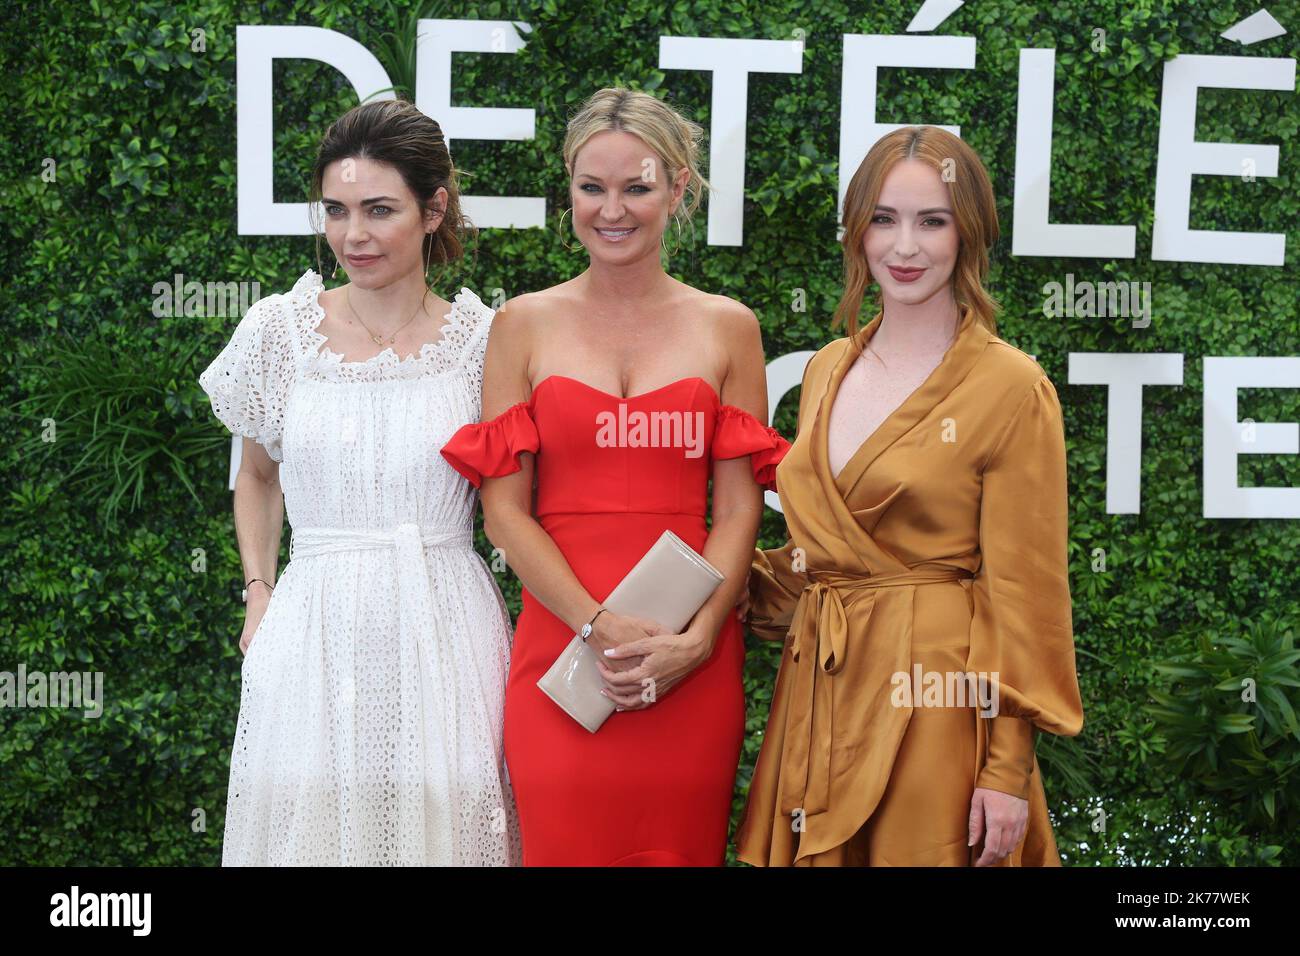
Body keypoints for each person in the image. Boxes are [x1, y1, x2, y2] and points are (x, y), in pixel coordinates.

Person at [439, 88, 790, 866]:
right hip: (563, 650)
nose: (613, 209)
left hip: (687, 656)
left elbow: (738, 513)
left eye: (636, 187)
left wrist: (698, 641)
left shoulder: (728, 326)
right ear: (568, 189)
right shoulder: (522, 324)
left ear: (678, 187)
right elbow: (505, 515)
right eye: (591, 188)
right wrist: (595, 623)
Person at [735, 125, 1084, 867]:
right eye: (884, 219)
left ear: (970, 232)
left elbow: (1026, 598)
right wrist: (714, 589)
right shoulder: (829, 367)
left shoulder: (1012, 386)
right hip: (821, 694)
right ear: (857, 230)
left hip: (938, 706)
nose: (905, 246)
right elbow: (821, 556)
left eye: (933, 221)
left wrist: (1006, 772)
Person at [198, 99, 519, 865]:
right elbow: (259, 476)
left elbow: (518, 503)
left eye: (380, 210)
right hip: (312, 623)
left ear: (434, 208)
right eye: (336, 211)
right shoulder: (278, 330)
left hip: (446, 620)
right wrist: (258, 590)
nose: (353, 235)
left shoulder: (485, 341)